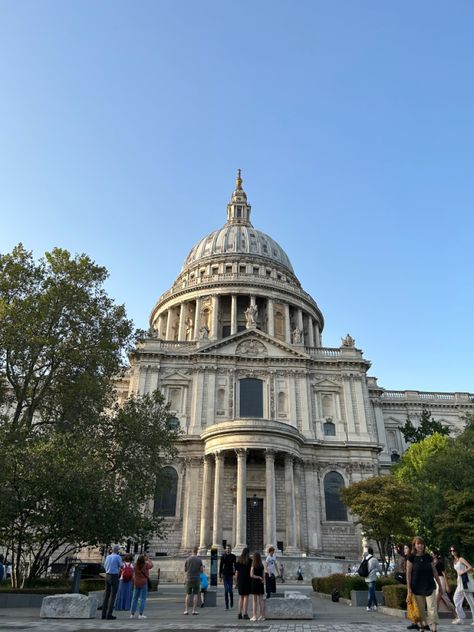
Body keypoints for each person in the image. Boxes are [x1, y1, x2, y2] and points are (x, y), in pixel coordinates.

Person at [406, 536, 442, 632]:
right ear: (414, 545)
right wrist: (409, 588)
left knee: (432, 608)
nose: (420, 546)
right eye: (418, 544)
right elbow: (408, 574)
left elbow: (434, 572)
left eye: (422, 544)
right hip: (416, 587)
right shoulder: (411, 558)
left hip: (430, 586)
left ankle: (433, 627)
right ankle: (421, 626)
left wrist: (440, 585)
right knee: (421, 609)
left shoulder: (428, 557)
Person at [450, 545, 474, 625]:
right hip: (459, 582)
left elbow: (470, 567)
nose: (452, 552)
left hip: (465, 582)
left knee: (471, 601)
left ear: (457, 550)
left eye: (453, 550)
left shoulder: (461, 559)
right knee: (456, 598)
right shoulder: (454, 561)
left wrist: (462, 572)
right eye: (451, 551)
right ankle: (461, 617)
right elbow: (457, 573)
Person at [431, 549, 456, 621]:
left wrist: (447, 585)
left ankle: (434, 617)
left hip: (441, 580)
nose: (431, 555)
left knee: (437, 598)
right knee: (444, 598)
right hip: (435, 581)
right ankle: (455, 613)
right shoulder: (432, 563)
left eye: (432, 553)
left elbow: (444, 574)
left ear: (435, 555)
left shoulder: (440, 563)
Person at [102, 545, 123, 620]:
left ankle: (103, 614)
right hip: (114, 576)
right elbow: (121, 566)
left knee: (106, 595)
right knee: (113, 595)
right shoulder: (118, 557)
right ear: (117, 550)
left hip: (107, 575)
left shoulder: (108, 557)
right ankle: (109, 614)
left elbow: (104, 566)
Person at [130, 554, 153, 619]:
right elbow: (151, 565)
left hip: (136, 582)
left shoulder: (135, 565)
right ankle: (140, 614)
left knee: (134, 598)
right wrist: (148, 559)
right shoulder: (145, 565)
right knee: (143, 599)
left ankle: (132, 614)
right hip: (143, 582)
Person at [184, 546, 203, 616]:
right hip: (196, 578)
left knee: (188, 594)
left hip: (189, 578)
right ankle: (194, 610)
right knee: (195, 594)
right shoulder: (199, 560)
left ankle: (186, 610)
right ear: (197, 551)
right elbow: (201, 570)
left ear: (192, 551)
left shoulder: (187, 559)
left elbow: (185, 570)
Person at [235, 547, 251, 620]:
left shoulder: (239, 561)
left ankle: (239, 613)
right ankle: (245, 613)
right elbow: (251, 572)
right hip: (247, 580)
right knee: (246, 597)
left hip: (240, 580)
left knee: (241, 597)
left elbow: (237, 573)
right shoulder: (250, 561)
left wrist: (236, 582)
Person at [219, 544, 236, 610]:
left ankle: (231, 601)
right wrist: (220, 576)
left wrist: (235, 574)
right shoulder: (223, 556)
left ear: (231, 549)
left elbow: (235, 566)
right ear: (225, 549)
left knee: (230, 590)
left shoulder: (233, 556)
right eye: (227, 548)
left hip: (231, 575)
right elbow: (220, 566)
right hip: (225, 575)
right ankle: (226, 606)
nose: (228, 549)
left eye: (229, 548)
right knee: (226, 590)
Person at [249, 551, 265, 621]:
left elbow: (251, 575)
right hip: (260, 583)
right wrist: (262, 579)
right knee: (261, 600)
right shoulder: (262, 565)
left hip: (255, 583)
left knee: (254, 601)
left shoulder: (253, 565)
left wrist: (258, 577)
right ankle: (262, 616)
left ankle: (254, 616)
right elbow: (263, 575)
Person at [364, 547, 381, 611]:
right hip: (372, 578)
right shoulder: (374, 559)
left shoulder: (365, 558)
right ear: (372, 552)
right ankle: (368, 606)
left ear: (368, 552)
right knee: (371, 592)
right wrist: (380, 573)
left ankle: (376, 605)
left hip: (366, 577)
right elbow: (379, 568)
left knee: (372, 591)